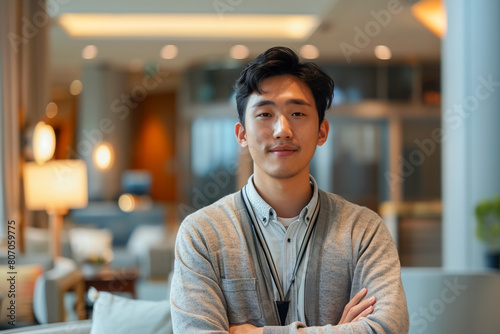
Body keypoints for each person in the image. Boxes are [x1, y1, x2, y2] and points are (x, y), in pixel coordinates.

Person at [170, 46, 409, 333]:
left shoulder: (363, 230)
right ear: (242, 134)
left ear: (322, 131)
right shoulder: (201, 234)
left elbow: (389, 327)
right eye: (265, 114)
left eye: (297, 113)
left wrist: (256, 333)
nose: (282, 129)